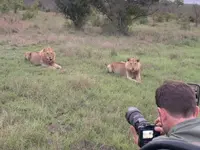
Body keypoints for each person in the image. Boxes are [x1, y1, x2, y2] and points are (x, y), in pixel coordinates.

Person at [130, 80, 200, 148]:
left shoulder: (158, 145)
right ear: (196, 111)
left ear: (162, 114)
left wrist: (144, 146)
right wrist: (170, 133)